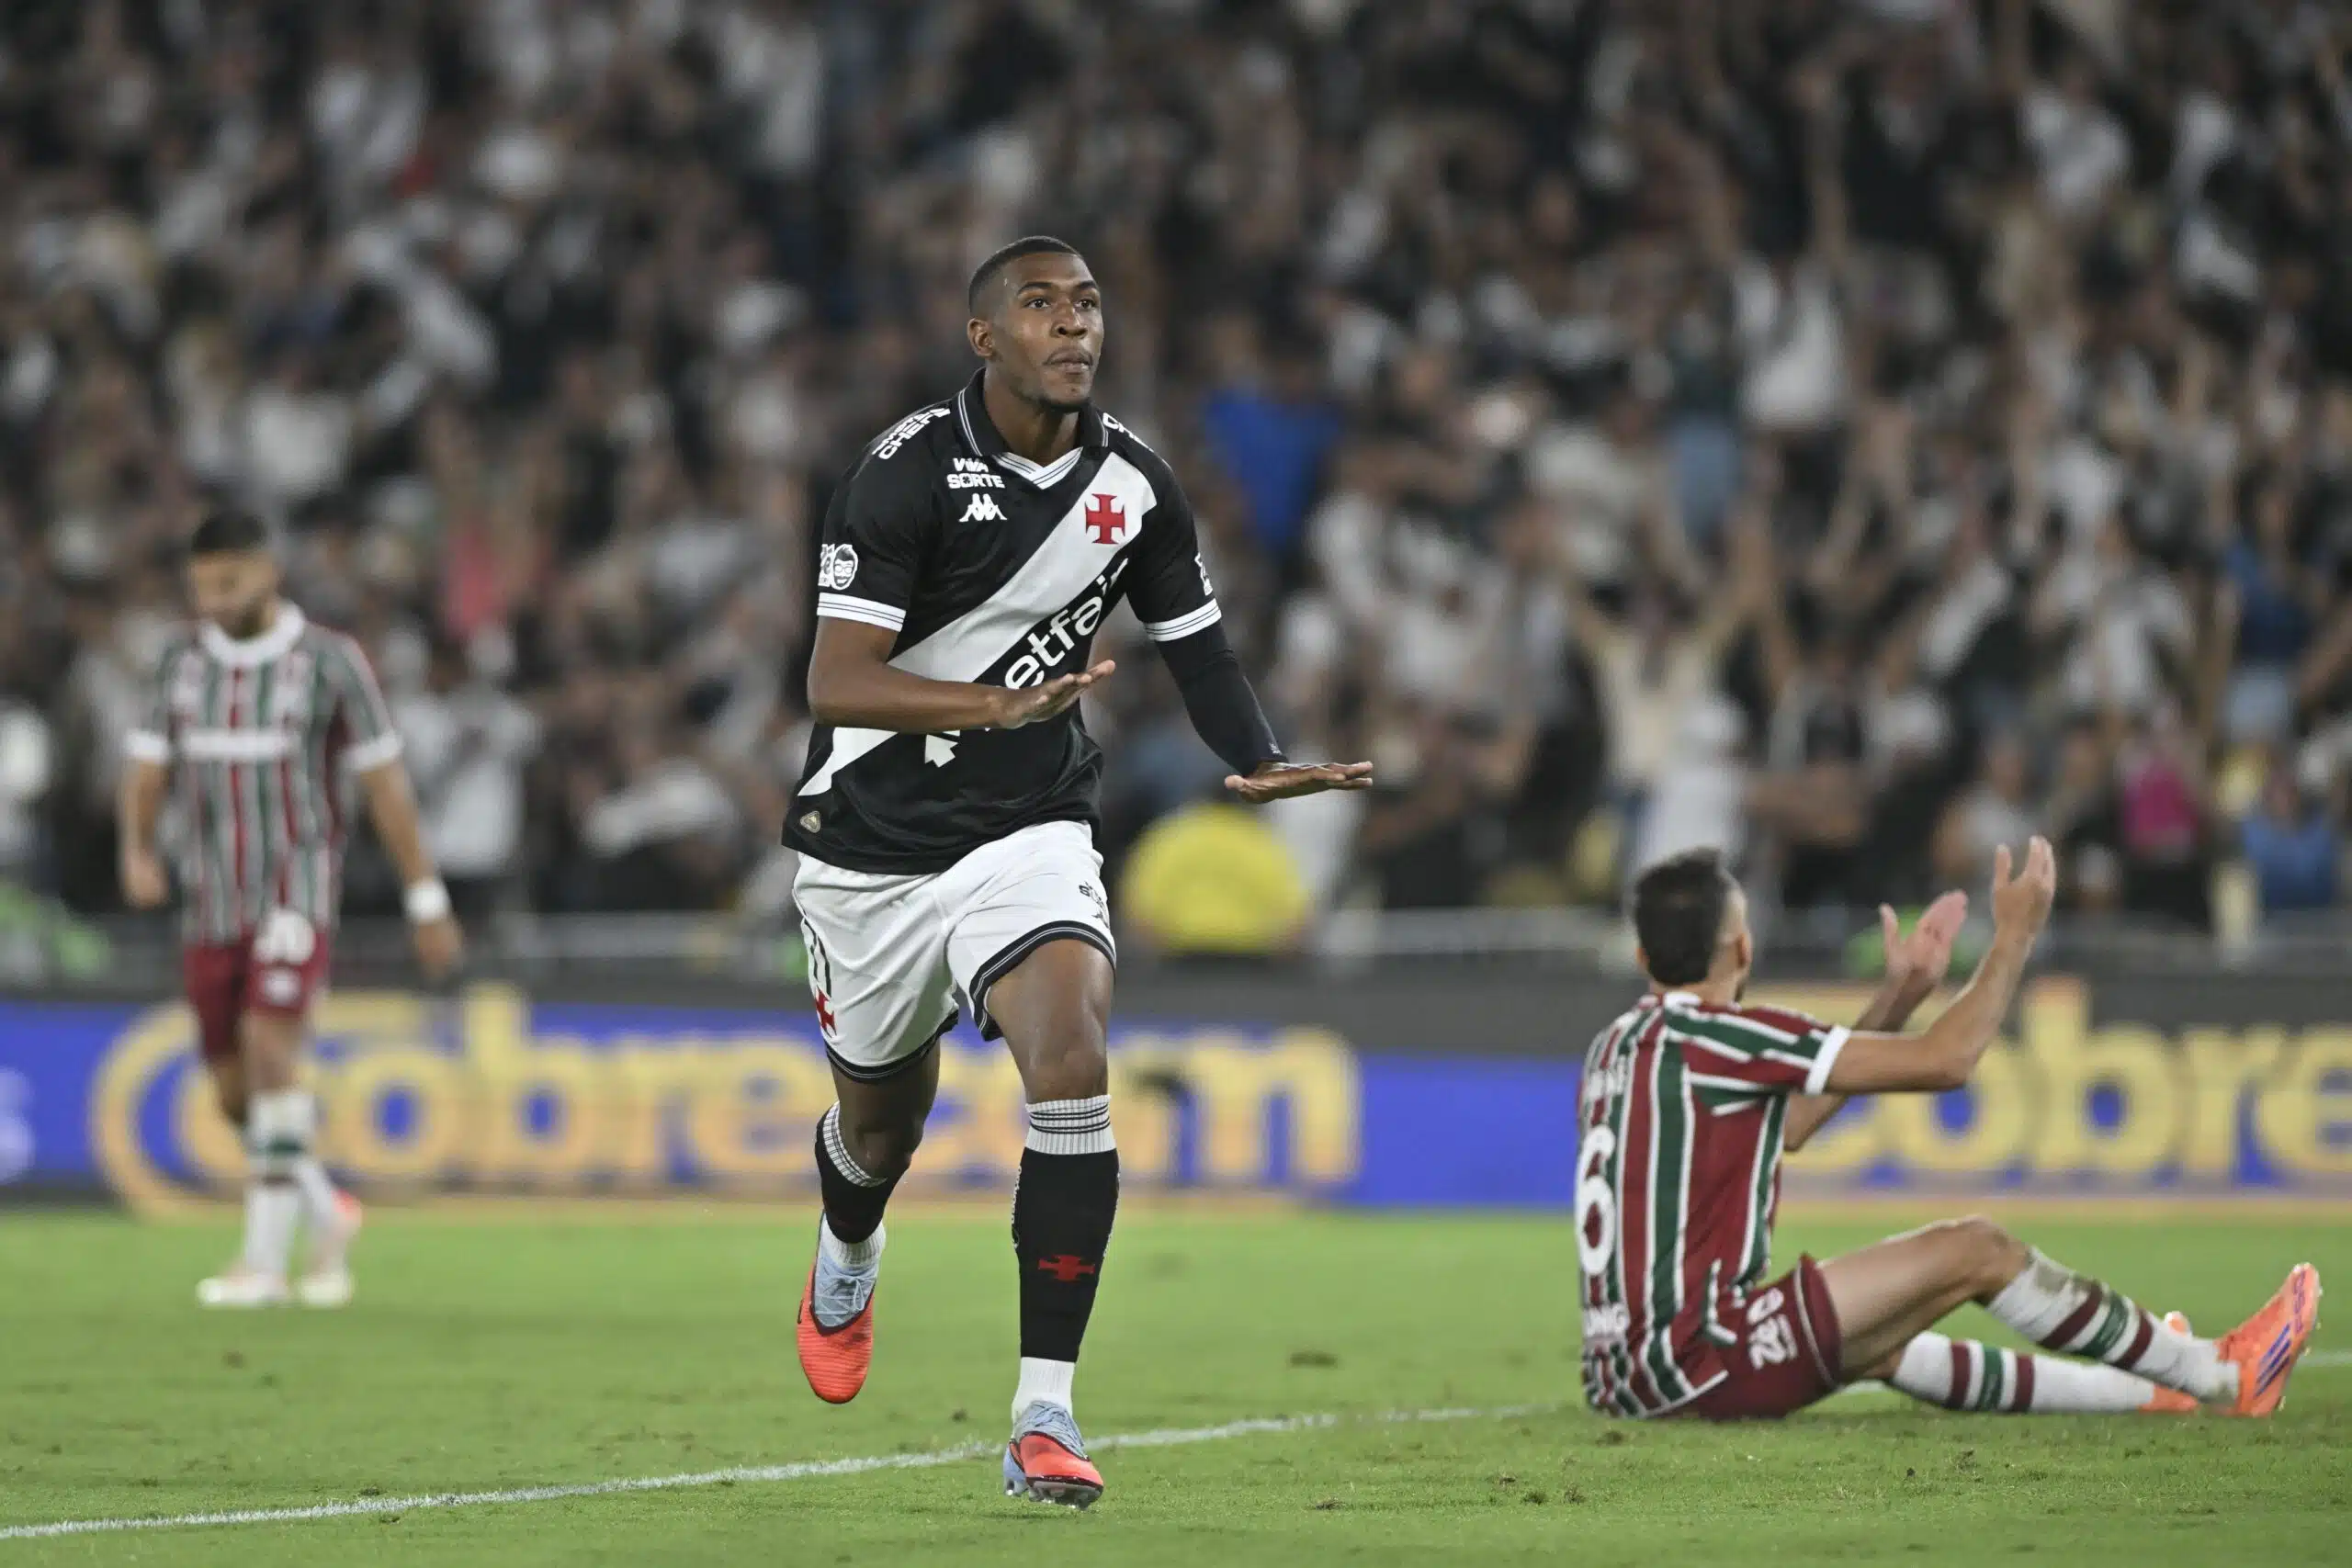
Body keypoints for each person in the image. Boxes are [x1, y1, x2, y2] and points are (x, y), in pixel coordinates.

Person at [784, 236, 1372, 1507]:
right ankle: (848, 1245)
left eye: (1089, 305)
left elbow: (1198, 646)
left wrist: (1260, 757)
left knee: (1070, 1055)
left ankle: (1042, 1412)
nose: (1073, 325)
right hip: (872, 844)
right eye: (1042, 305)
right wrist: (988, 703)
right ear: (983, 335)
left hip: (1030, 822)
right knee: (879, 1129)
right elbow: (835, 680)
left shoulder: (1136, 484)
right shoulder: (903, 472)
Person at [1577, 841, 2320, 1421]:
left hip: (1625, 1372)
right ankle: (2222, 1374)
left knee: (1885, 1337)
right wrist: (2014, 936)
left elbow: (1790, 1125)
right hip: (1699, 1358)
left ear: (1644, 958)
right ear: (1743, 949)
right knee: (1975, 1250)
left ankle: (2148, 1390)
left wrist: (1898, 997)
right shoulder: (1724, 1037)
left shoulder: (1613, 1048)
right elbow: (1949, 1059)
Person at [119, 510, 465, 1309]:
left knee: (271, 1049)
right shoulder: (176, 660)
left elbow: (384, 783)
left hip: (296, 887)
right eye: (202, 586)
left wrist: (426, 898)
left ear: (268, 571)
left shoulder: (330, 662)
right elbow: (146, 763)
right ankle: (324, 1207)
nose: (215, 600)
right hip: (210, 896)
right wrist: (136, 849)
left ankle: (264, 1264)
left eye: (229, 582)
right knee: (234, 1091)